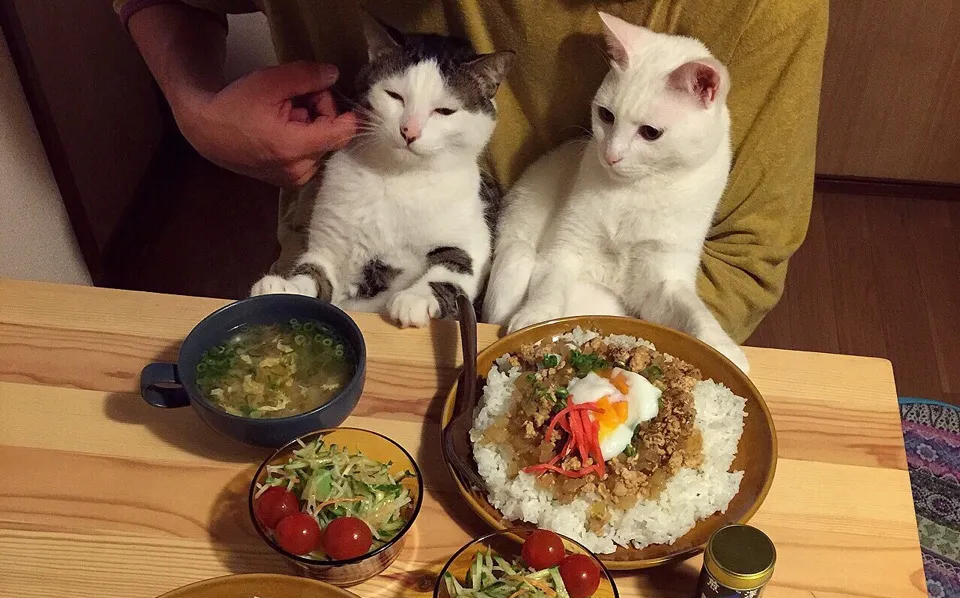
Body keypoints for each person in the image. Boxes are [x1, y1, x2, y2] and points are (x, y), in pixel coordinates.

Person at [115, 0, 828, 344]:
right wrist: (193, 107)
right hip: (337, 278)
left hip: (593, 337)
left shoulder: (755, 13)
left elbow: (742, 260)